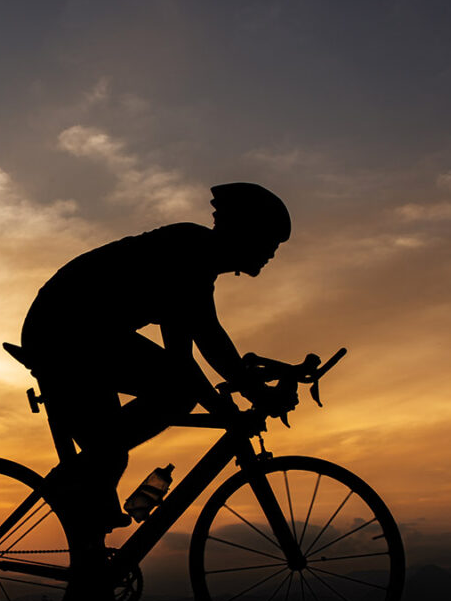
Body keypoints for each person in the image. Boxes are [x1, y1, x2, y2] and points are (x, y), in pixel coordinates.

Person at [18, 182, 294, 530]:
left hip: (77, 332)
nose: (272, 252)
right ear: (246, 233)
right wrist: (233, 403)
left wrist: (249, 393)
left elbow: (202, 343)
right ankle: (85, 479)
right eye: (269, 241)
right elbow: (195, 351)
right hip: (64, 332)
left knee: (113, 453)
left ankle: (89, 550)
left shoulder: (197, 258)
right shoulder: (189, 253)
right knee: (165, 403)